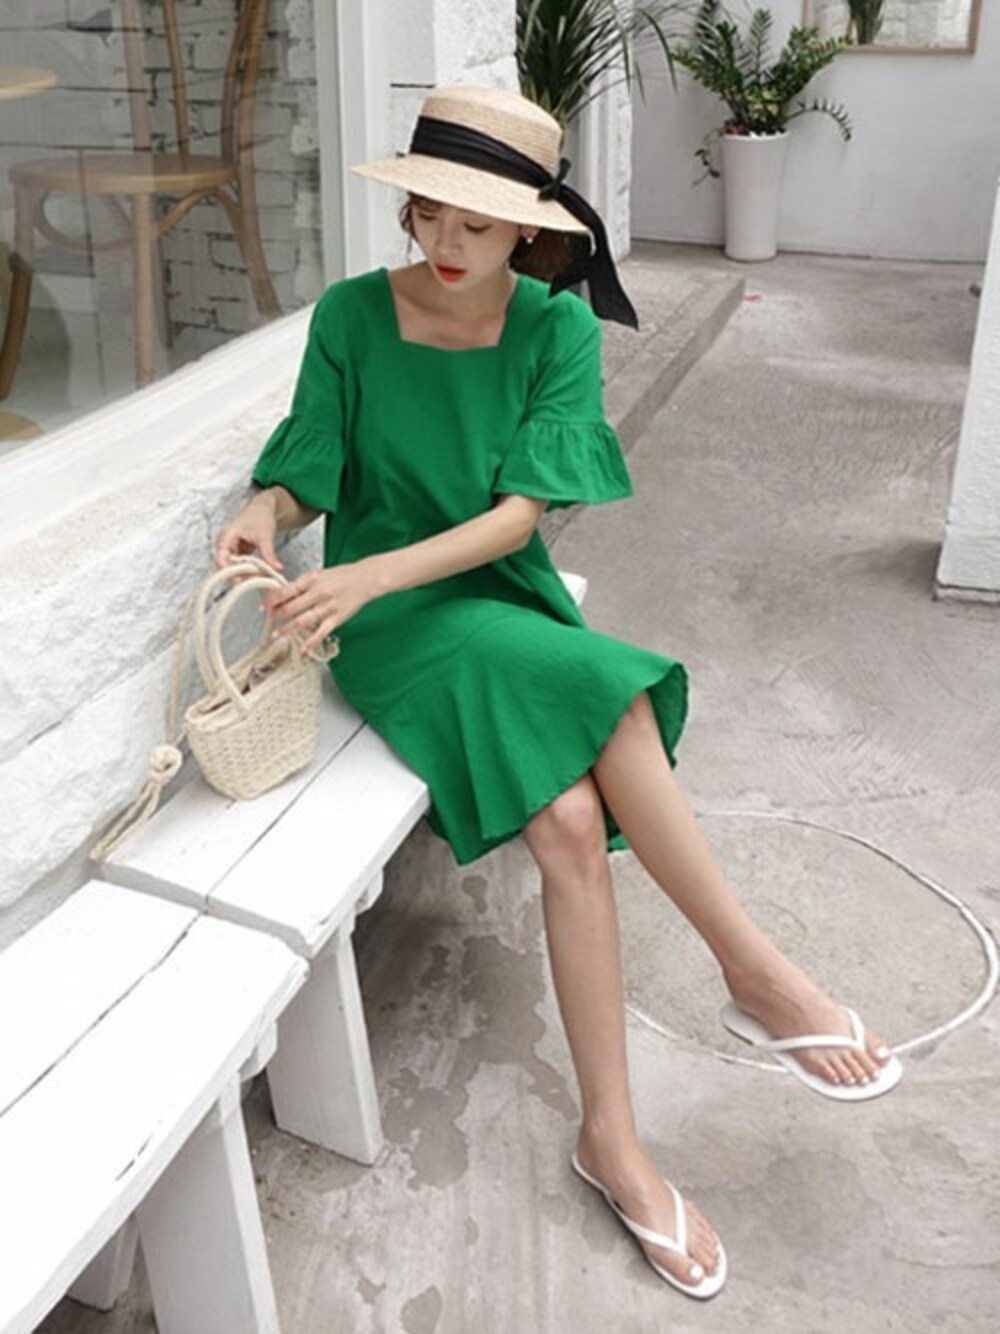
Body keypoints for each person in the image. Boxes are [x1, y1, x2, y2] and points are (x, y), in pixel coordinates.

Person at [214, 83, 901, 1301]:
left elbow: (518, 520)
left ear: (528, 227)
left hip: (490, 593)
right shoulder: (352, 314)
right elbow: (312, 469)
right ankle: (751, 973)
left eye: (476, 223)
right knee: (616, 692)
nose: (445, 240)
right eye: (429, 212)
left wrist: (366, 569)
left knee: (576, 820)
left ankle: (611, 1137)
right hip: (388, 625)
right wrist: (265, 515)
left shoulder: (554, 330)